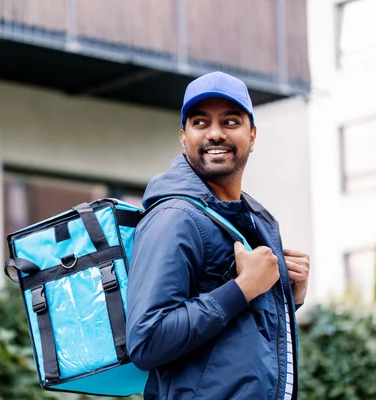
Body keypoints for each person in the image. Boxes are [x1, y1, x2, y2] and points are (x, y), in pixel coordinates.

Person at [125, 71, 310, 400]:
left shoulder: (253, 220)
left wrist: (287, 297)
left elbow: (231, 344)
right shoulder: (174, 218)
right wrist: (243, 288)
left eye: (230, 122)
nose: (215, 134)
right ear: (184, 137)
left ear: (252, 135)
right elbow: (147, 341)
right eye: (200, 122)